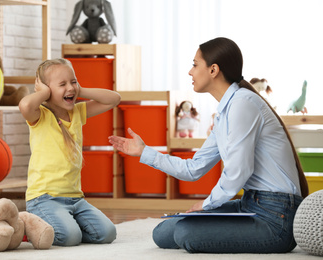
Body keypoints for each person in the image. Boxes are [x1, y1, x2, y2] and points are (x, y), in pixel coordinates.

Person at [108, 37, 308, 253]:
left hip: (276, 218)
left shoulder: (243, 103)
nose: (190, 72)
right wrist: (144, 152)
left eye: (195, 64)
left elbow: (238, 171)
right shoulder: (224, 112)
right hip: (251, 204)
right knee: (164, 232)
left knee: (185, 233)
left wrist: (206, 204)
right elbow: (194, 168)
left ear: (213, 70)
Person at [19, 58, 120, 246]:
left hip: (75, 199)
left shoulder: (77, 112)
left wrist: (80, 90)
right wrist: (45, 93)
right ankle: (30, 228)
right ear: (46, 90)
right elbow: (25, 106)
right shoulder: (40, 115)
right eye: (62, 84)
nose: (70, 88)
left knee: (107, 233)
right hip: (44, 198)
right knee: (70, 237)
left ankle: (61, 226)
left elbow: (114, 99)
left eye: (73, 81)